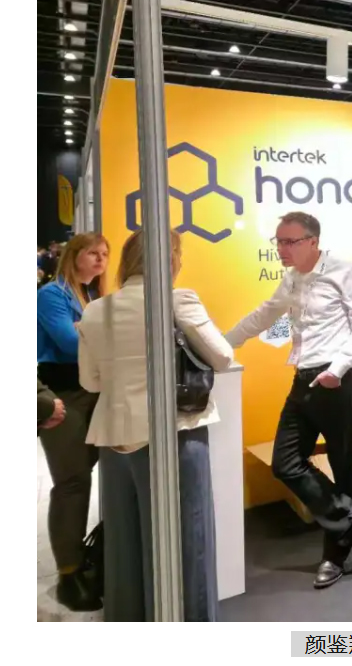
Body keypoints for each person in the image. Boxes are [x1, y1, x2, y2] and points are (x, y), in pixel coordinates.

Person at [78, 229, 233, 621]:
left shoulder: (95, 310)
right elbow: (222, 357)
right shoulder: (177, 300)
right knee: (185, 543)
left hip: (113, 437)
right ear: (171, 258)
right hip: (173, 435)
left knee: (123, 544)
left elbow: (90, 382)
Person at [225, 211, 352, 589]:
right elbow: (265, 314)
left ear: (312, 242)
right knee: (285, 462)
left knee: (344, 468)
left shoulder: (344, 271)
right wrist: (221, 343)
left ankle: (335, 557)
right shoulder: (291, 278)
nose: (282, 248)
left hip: (338, 380)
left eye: (289, 241)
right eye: (278, 241)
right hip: (303, 379)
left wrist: (337, 369)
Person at [37, 232, 109, 612]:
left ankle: (86, 556)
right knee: (72, 482)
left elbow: (86, 338)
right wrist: (101, 334)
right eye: (92, 253)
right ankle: (69, 572)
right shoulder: (52, 294)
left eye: (104, 254)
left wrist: (91, 332)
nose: (100, 259)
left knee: (92, 474)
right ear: (74, 256)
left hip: (94, 391)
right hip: (63, 394)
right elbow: (69, 343)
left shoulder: (93, 294)